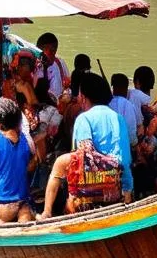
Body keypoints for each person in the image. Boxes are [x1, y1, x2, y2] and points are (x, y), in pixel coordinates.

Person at [39, 72, 133, 218]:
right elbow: (125, 157)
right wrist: (127, 190)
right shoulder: (118, 117)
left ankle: (46, 212)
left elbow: (83, 153)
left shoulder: (84, 118)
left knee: (58, 163)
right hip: (119, 178)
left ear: (83, 97)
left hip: (95, 180)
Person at [35, 32, 70, 103]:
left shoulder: (60, 62)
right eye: (50, 52)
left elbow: (68, 83)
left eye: (54, 51)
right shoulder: (35, 67)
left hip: (60, 105)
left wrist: (66, 93)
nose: (53, 56)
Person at [109, 73, 143, 145]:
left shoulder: (107, 104)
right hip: (130, 144)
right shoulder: (131, 105)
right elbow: (140, 126)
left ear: (113, 88)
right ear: (127, 88)